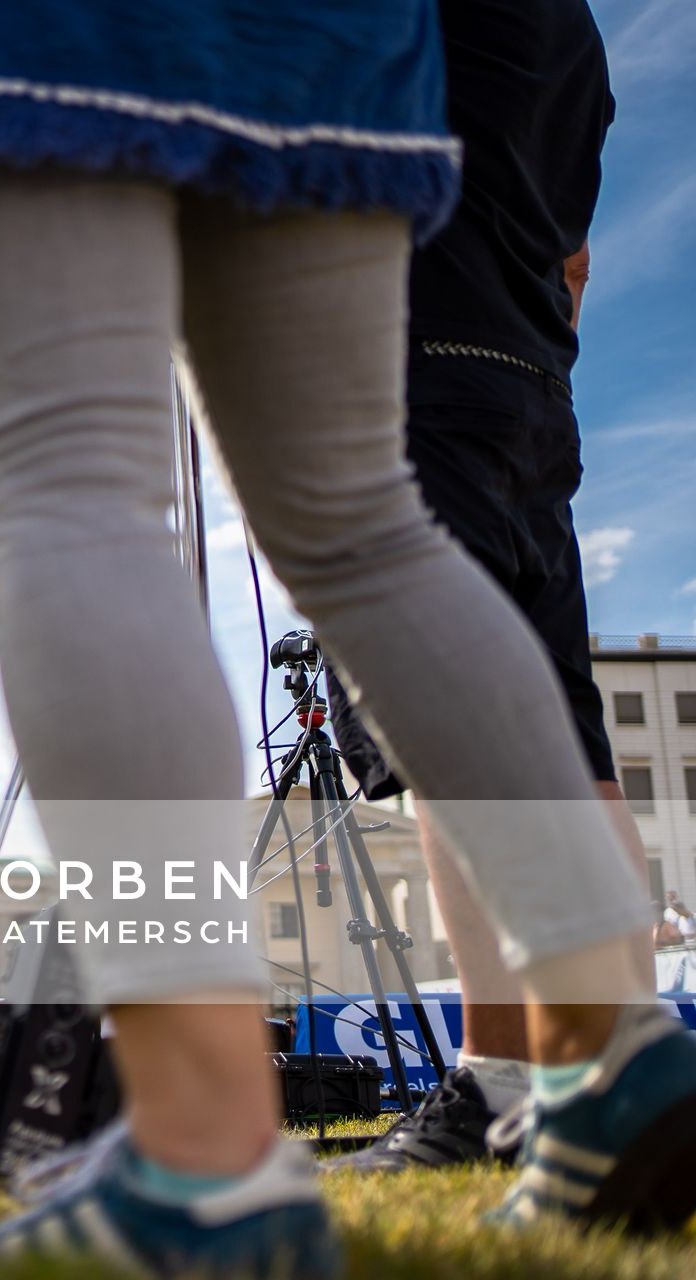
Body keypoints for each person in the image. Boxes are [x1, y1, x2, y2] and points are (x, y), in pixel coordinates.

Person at [0, 0, 696, 1269]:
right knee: (364, 528)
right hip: (332, 40)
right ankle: (610, 1039)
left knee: (73, 493)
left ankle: (203, 1147)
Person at [323, 0, 651, 1175]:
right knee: (564, 736)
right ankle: (617, 1071)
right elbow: (571, 255)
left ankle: (514, 1083)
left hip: (412, 374)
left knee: (450, 727)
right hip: (525, 392)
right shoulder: (572, 34)